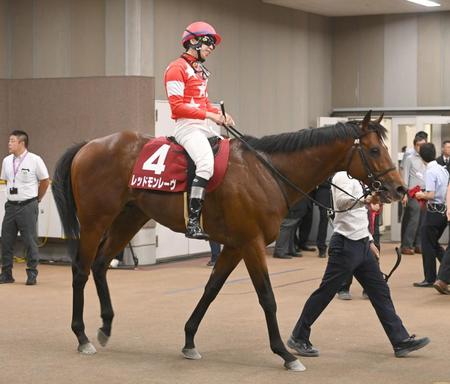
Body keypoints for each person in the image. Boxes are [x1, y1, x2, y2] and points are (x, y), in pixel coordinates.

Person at [287, 171, 430, 358]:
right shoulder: (340, 177)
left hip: (362, 243)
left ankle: (400, 340)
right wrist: (367, 199)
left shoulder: (357, 179)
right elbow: (341, 203)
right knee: (325, 292)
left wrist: (370, 241)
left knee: (380, 291)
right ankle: (298, 336)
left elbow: (360, 215)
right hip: (345, 244)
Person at [164, 21, 234, 240]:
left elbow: (203, 103)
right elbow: (176, 106)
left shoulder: (199, 70)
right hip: (187, 128)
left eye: (213, 44)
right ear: (193, 41)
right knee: (205, 163)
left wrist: (220, 115)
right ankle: (193, 221)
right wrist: (209, 115)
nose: (211, 47)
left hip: (204, 127)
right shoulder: (176, 68)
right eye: (208, 42)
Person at [0, 130, 49, 285]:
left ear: (22, 143)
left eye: (12, 141)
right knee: (6, 240)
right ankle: (6, 274)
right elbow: (6, 181)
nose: (9, 143)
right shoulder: (7, 161)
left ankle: (32, 273)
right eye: (9, 141)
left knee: (29, 241)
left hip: (28, 206)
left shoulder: (35, 160)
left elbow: (45, 181)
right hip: (11, 207)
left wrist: (37, 199)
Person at [413, 143, 449, 288]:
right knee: (433, 243)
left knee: (427, 244)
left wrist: (420, 194)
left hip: (433, 211)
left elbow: (431, 194)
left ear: (421, 156)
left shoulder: (430, 171)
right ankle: (445, 275)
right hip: (443, 211)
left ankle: (430, 278)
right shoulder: (443, 169)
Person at [400, 135, 427, 255]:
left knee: (423, 219)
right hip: (413, 193)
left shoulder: (427, 158)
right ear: (415, 145)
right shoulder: (409, 158)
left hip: (425, 192)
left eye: (423, 145)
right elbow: (405, 177)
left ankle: (418, 245)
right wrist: (404, 193)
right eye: (419, 145)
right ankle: (406, 245)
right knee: (413, 219)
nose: (421, 147)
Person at [314, 180, 332, 258]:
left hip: (336, 196)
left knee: (340, 222)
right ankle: (321, 248)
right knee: (323, 223)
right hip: (324, 196)